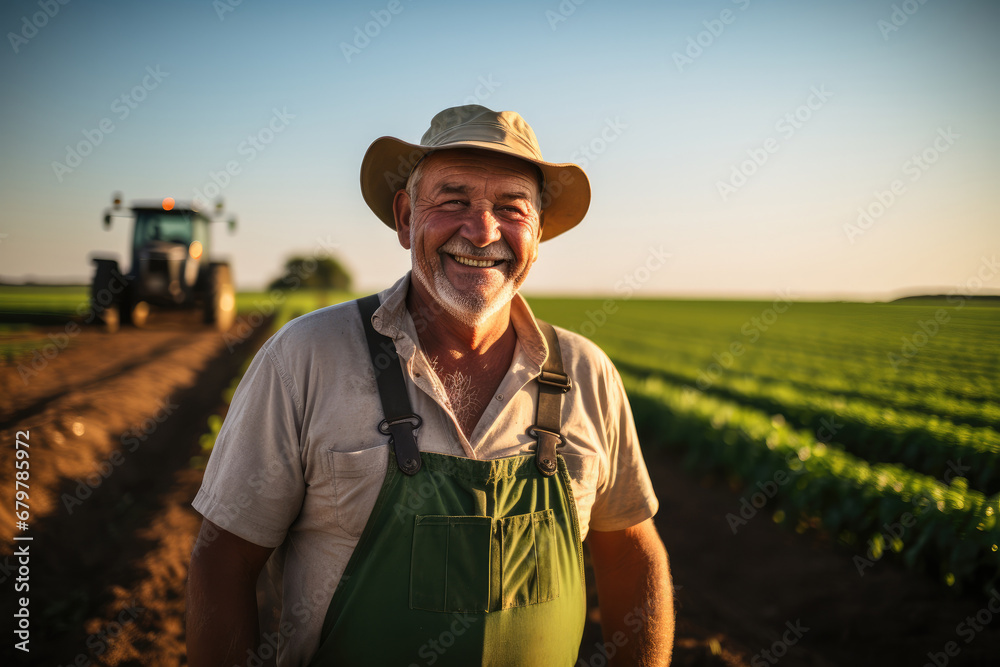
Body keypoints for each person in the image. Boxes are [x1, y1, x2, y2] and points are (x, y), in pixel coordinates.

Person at [186, 105, 674, 666]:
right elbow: (223, 560)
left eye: (511, 208)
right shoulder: (305, 358)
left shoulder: (585, 373)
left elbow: (630, 556)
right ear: (404, 217)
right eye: (453, 200)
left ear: (537, 234)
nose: (482, 230)